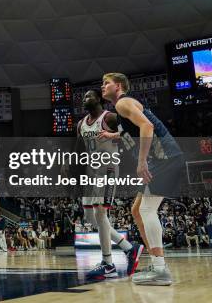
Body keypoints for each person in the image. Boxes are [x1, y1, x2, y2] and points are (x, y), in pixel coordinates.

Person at [101, 72, 184, 286]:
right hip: (164, 158)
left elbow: (147, 126)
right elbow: (134, 129)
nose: (103, 87)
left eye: (106, 83)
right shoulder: (124, 106)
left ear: (118, 86)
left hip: (163, 158)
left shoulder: (122, 103)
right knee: (137, 210)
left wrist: (142, 161)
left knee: (147, 210)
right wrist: (113, 135)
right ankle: (157, 262)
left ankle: (160, 269)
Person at [73, 89, 138, 280]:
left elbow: (129, 136)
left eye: (88, 96)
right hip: (91, 173)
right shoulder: (81, 124)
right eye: (83, 96)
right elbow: (79, 147)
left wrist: (113, 136)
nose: (85, 99)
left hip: (108, 170)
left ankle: (108, 263)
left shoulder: (109, 117)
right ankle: (128, 247)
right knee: (90, 217)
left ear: (99, 99)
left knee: (100, 212)